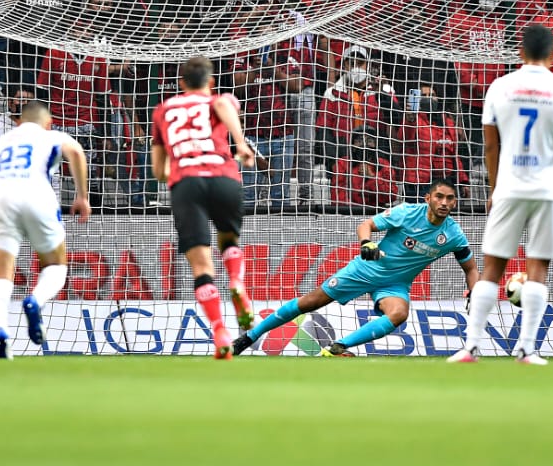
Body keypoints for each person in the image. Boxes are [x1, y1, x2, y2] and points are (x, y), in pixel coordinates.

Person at [453, 24, 553, 366]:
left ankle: (470, 347)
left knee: (493, 267)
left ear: (520, 53)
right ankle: (526, 349)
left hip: (510, 185)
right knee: (538, 266)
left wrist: (494, 188)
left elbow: (490, 144)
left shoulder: (500, 86)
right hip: (550, 188)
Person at [235, 178, 474, 358]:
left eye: (450, 198)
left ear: (455, 201)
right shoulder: (406, 213)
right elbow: (366, 224)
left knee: (399, 313)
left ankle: (337, 347)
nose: (444, 202)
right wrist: (366, 242)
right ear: (428, 198)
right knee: (310, 302)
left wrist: (475, 291)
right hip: (365, 269)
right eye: (439, 196)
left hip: (395, 284)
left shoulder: (453, 235)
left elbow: (471, 269)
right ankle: (250, 337)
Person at [0, 99, 91, 358]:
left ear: (18, 121)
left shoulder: (4, 141)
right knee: (56, 266)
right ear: (48, 122)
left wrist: (3, 181)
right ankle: (34, 301)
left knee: (0, 276)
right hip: (37, 194)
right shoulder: (51, 135)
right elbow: (75, 152)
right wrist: (82, 196)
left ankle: (0, 334)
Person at [149, 56, 258, 358]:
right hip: (223, 177)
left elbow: (159, 170)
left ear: (181, 83)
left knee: (201, 268)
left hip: (186, 183)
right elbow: (222, 106)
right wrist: (240, 143)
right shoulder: (221, 100)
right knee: (228, 239)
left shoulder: (163, 110)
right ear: (210, 83)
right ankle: (237, 282)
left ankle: (219, 330)